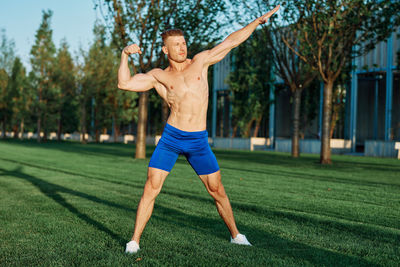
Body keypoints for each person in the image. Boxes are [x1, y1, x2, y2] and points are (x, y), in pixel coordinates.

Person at [118, 5, 280, 254]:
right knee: (151, 187)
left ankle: (236, 235)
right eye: (177, 44)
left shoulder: (201, 62)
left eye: (184, 43)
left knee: (217, 190)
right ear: (166, 49)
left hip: (198, 141)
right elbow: (125, 83)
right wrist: (124, 55)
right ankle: (134, 241)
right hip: (171, 138)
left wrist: (256, 22)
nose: (182, 47)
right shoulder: (159, 75)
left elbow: (231, 42)